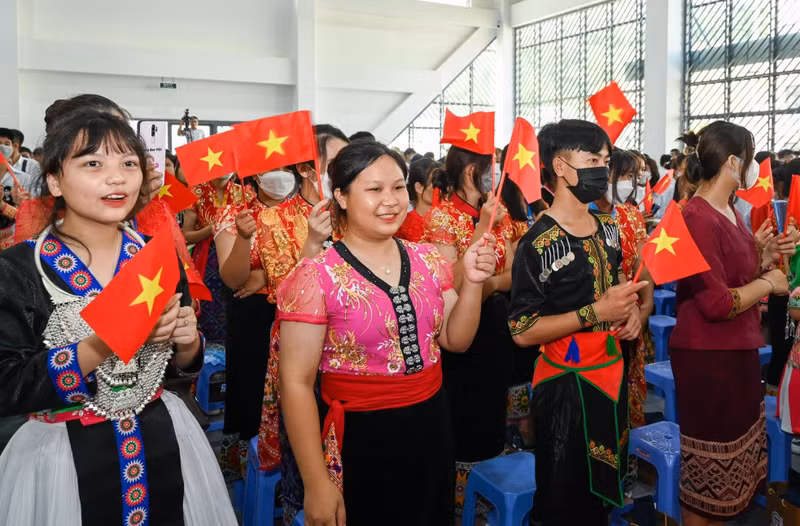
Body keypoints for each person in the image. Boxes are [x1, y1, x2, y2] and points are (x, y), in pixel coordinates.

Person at [0, 110, 236, 525]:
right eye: (94, 164)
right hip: (63, 459)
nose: (117, 178)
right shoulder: (19, 269)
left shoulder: (156, 254)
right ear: (54, 179)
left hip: (163, 438)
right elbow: (8, 385)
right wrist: (103, 342)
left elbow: (179, 370)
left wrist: (187, 342)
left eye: (128, 163)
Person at [279, 140, 497, 526]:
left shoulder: (428, 259)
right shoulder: (317, 275)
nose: (391, 200)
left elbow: (455, 340)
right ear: (342, 196)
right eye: (374, 189)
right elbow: (295, 383)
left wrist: (475, 283)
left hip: (432, 423)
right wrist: (315, 482)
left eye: (398, 187)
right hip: (361, 437)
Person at [509, 119, 648, 525]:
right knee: (563, 496)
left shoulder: (608, 227)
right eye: (592, 160)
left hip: (612, 372)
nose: (602, 170)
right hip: (565, 384)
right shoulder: (537, 242)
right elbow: (522, 331)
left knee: (601, 494)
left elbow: (618, 281)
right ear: (562, 167)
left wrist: (633, 313)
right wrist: (594, 314)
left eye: (605, 160)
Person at [670, 120, 796, 525]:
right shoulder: (697, 216)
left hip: (736, 350)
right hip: (708, 358)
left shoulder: (729, 210)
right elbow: (716, 302)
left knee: (733, 468)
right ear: (731, 162)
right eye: (750, 155)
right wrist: (768, 283)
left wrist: (761, 251)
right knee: (707, 473)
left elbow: (732, 275)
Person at [256, 124, 349, 524]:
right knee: (307, 464)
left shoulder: (355, 212)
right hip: (305, 364)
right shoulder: (276, 220)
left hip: (352, 358)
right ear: (312, 170)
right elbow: (283, 295)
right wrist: (312, 243)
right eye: (338, 162)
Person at [422, 145, 517, 516]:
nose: (497, 174)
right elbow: (447, 284)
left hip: (494, 321)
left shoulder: (500, 210)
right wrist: (480, 231)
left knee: (493, 408)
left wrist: (488, 286)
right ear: (470, 171)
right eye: (492, 166)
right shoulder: (442, 219)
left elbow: (510, 273)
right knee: (463, 415)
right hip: (457, 328)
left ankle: (489, 496)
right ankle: (462, 505)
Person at [593, 149, 655, 431]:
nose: (630, 183)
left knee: (629, 389)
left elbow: (644, 263)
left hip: (632, 318)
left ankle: (630, 460)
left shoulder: (631, 215)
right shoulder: (583, 215)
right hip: (595, 323)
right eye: (624, 176)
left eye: (632, 177)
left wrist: (646, 307)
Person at [395, 158, 441, 243]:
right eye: (435, 184)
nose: (441, 188)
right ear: (419, 188)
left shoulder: (450, 219)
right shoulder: (403, 224)